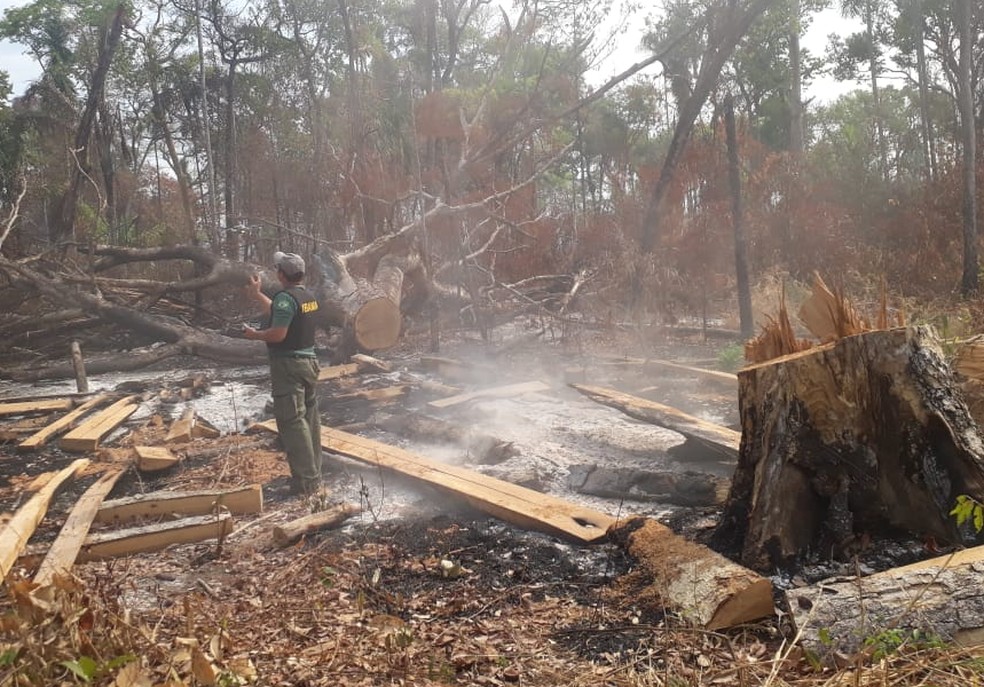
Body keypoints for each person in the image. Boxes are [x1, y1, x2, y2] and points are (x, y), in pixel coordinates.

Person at [243, 251, 323, 495]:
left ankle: (306, 482)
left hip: (289, 367)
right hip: (309, 363)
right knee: (309, 420)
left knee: (292, 422)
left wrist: (255, 335)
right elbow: (281, 310)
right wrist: (258, 295)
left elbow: (279, 333)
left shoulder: (286, 299)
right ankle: (314, 475)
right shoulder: (307, 297)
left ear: (281, 274)